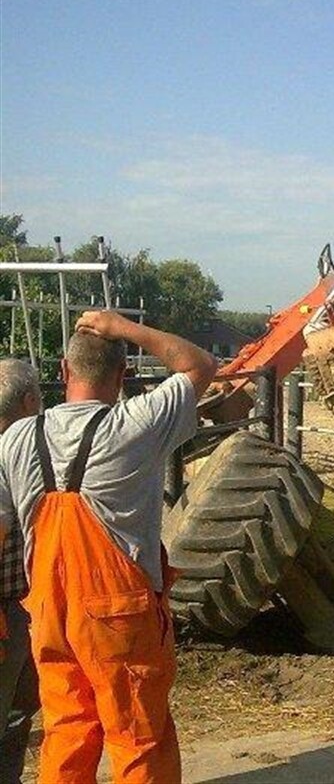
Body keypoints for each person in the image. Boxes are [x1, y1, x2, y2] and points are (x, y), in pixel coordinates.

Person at [0, 311, 217, 783]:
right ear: (123, 377)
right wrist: (125, 328)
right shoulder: (136, 423)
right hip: (119, 614)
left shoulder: (16, 437)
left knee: (66, 728)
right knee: (137, 735)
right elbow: (200, 365)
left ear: (63, 371)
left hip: (48, 612)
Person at [0, 359, 42, 784]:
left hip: (25, 607)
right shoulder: (10, 454)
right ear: (29, 401)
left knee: (17, 714)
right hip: (9, 611)